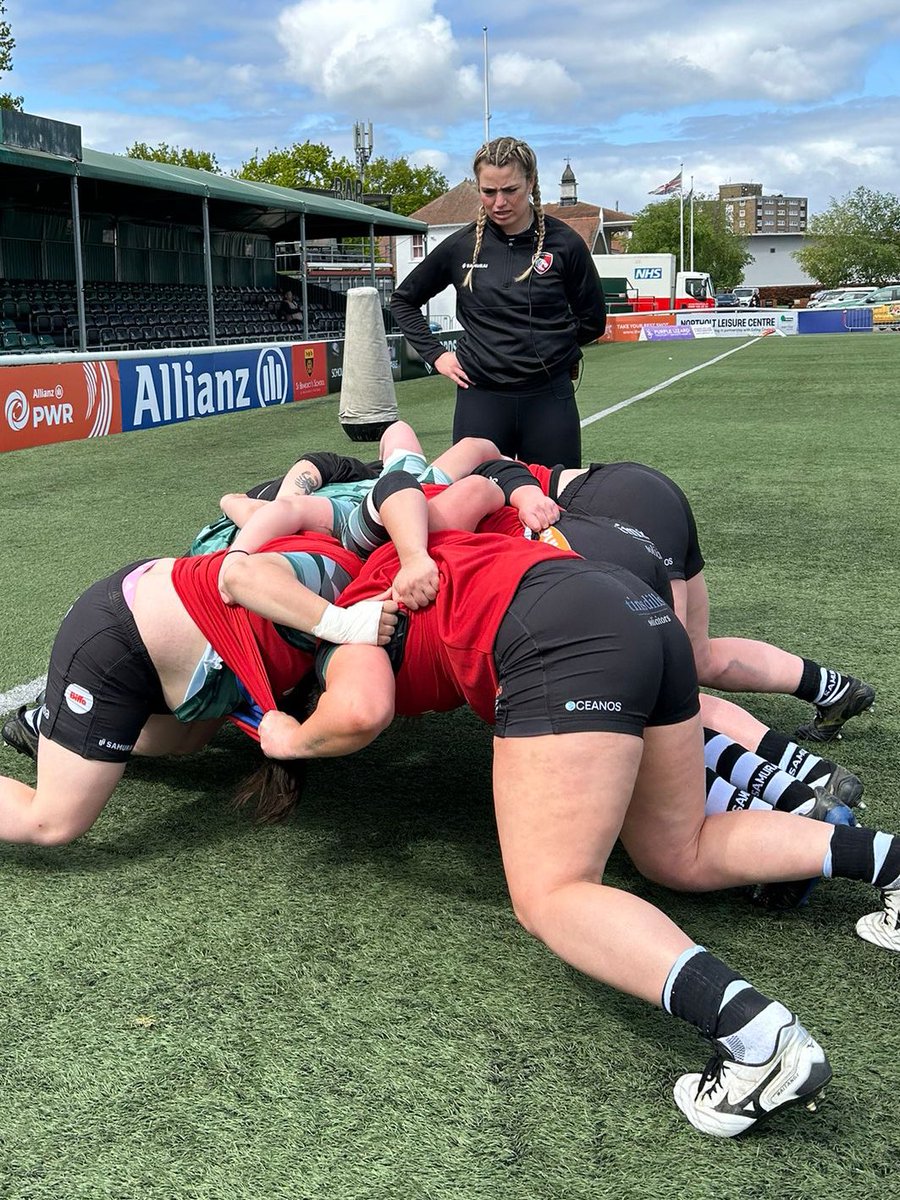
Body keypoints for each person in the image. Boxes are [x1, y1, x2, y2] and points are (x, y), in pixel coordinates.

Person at [240, 506, 900, 1137]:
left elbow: (358, 711)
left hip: (555, 635)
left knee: (552, 893)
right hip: (628, 604)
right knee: (676, 850)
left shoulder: (359, 598)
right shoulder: (429, 526)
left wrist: (289, 740)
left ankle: (759, 1044)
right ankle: (891, 865)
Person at [0, 533, 402, 840]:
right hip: (117, 642)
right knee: (53, 822)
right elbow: (238, 575)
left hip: (172, 649)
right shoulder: (338, 577)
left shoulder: (354, 565)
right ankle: (63, 723)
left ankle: (52, 725)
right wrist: (344, 625)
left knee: (186, 740)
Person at [507, 458, 876, 743]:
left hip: (607, 501)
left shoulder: (460, 484)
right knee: (697, 657)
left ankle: (805, 779)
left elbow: (483, 451)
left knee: (669, 683)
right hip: (641, 489)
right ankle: (834, 689)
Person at [390, 136, 606, 467]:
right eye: (488, 192)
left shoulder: (566, 244)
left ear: (531, 183)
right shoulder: (460, 247)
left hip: (548, 399)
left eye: (510, 190)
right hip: (481, 399)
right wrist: (437, 357)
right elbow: (403, 301)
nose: (499, 202)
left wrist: (553, 348)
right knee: (476, 508)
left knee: (554, 503)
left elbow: (593, 320)